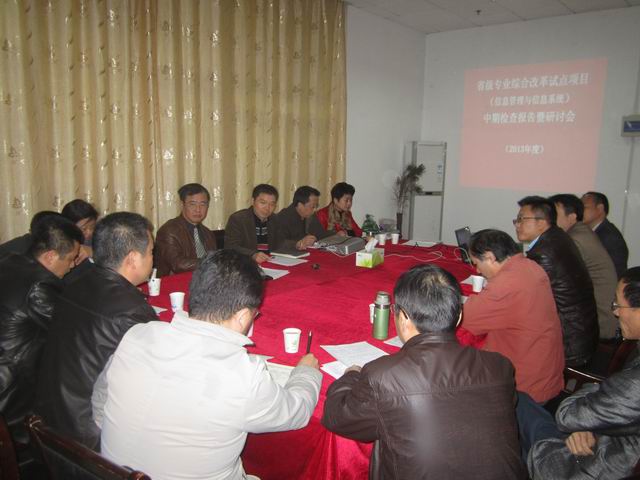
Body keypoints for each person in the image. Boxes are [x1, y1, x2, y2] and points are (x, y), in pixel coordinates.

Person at [94, 250, 322, 479]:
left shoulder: (138, 335)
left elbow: (100, 403)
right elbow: (298, 411)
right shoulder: (243, 375)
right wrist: (306, 372)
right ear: (243, 316)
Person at [322, 264, 526, 479]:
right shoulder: (500, 366)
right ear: (458, 316)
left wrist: (351, 375)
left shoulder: (383, 376)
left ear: (402, 318)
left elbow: (336, 418)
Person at [35, 212, 158, 449]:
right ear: (133, 258)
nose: (154, 257)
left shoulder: (76, 282)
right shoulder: (131, 310)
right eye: (152, 251)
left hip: (48, 413)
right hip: (86, 434)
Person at [526, 267, 640, 479]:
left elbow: (567, 416)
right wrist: (590, 423)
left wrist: (590, 408)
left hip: (599, 462)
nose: (615, 312)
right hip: (606, 433)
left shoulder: (634, 383)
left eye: (618, 305)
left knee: (520, 408)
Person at [0, 216, 81, 442]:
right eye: (71, 259)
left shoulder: (9, 260)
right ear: (50, 256)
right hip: (13, 389)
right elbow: (71, 331)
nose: (73, 265)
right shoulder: (39, 285)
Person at [462, 229, 564, 403]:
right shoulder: (530, 265)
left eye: (476, 263)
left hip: (524, 387)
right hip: (545, 369)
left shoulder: (507, 283)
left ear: (490, 257)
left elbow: (467, 318)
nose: (477, 270)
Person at [514, 196, 598, 367]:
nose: (517, 225)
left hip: (568, 342)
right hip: (581, 331)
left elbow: (525, 299)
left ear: (541, 222)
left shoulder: (544, 253)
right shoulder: (557, 236)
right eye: (517, 220)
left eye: (522, 219)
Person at [551, 194, 619, 340]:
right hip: (593, 314)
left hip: (599, 321)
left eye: (554, 214)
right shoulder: (580, 232)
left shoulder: (575, 238)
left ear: (572, 217)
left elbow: (558, 281)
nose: (549, 218)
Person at [155, 183, 217, 276]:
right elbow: (177, 264)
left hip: (204, 280)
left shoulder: (208, 233)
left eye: (203, 204)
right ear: (182, 205)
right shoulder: (169, 231)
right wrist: (210, 262)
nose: (198, 209)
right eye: (192, 204)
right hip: (174, 282)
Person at [224, 184, 280, 263]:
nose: (267, 208)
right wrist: (252, 255)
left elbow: (281, 242)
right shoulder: (238, 219)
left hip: (270, 262)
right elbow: (231, 246)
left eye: (272, 204)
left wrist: (296, 244)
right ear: (253, 201)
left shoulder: (275, 219)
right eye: (263, 203)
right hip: (246, 264)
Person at [581, 191, 629, 278]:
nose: (579, 211)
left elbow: (615, 273)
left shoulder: (610, 237)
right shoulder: (589, 232)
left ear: (600, 208)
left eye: (584, 207)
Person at [276, 186, 331, 250]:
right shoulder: (283, 218)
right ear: (300, 205)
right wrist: (298, 243)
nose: (315, 210)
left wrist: (336, 234)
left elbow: (320, 233)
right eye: (313, 207)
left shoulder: (310, 215)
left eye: (316, 206)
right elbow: (278, 243)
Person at [61, 198, 99, 265]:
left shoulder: (99, 237)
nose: (89, 232)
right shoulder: (62, 245)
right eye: (83, 229)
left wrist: (93, 252)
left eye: (92, 227)